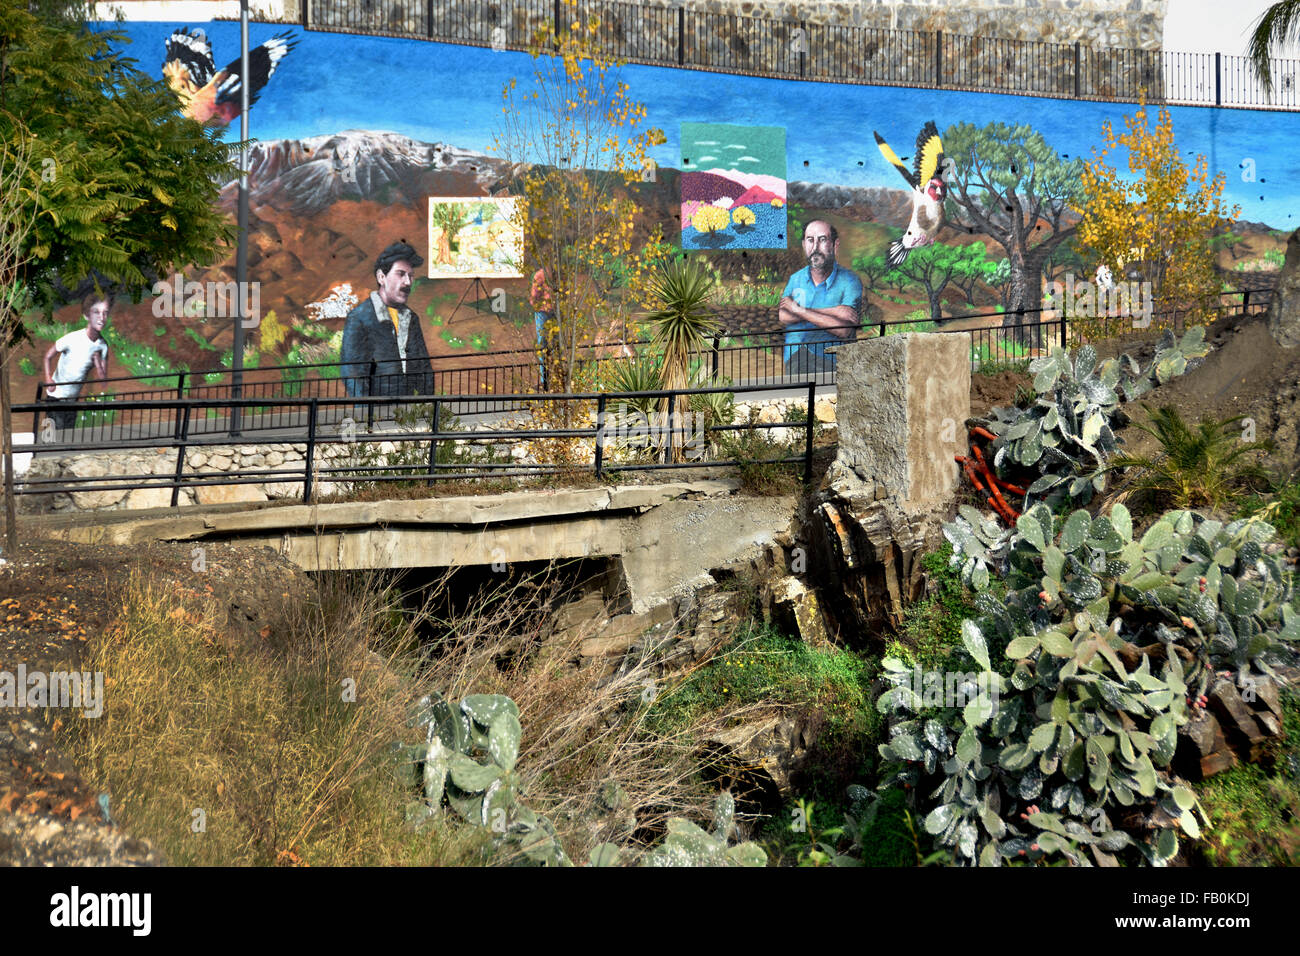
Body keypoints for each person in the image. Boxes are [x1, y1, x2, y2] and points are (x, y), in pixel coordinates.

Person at [341, 241, 435, 398]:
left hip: (409, 411)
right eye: (401, 274)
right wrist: (367, 410)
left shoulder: (411, 318)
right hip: (377, 412)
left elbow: (424, 368)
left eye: (411, 275)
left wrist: (428, 406)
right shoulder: (360, 318)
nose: (408, 282)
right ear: (381, 277)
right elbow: (353, 373)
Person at [777, 220, 863, 375]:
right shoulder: (796, 279)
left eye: (822, 240)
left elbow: (843, 330)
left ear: (835, 245)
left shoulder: (850, 281)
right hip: (795, 356)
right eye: (810, 240)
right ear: (804, 244)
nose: (815, 247)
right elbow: (783, 315)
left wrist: (798, 310)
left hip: (830, 360)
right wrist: (835, 311)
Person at [42, 292, 111, 433]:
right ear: (86, 315)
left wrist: (97, 362)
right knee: (50, 437)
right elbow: (48, 356)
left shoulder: (103, 346)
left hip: (73, 399)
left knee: (67, 436)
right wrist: (49, 379)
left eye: (105, 313)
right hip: (56, 396)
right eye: (96, 312)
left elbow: (103, 381)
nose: (101, 318)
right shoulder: (73, 338)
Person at [530, 266, 555, 389]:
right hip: (555, 312)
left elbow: (534, 295)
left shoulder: (540, 274)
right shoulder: (561, 273)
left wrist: (536, 305)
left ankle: (544, 381)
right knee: (554, 345)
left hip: (543, 312)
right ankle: (553, 379)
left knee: (542, 344)